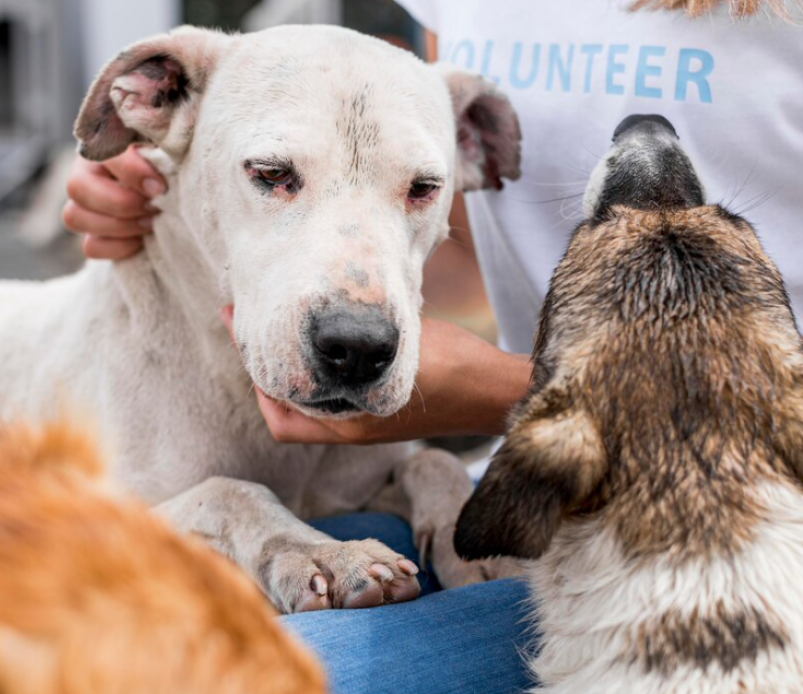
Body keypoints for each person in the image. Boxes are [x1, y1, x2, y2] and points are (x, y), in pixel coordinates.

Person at [62, 1, 802, 691]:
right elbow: (450, 243)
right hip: (529, 493)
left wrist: (501, 390)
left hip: (752, 526)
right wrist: (184, 191)